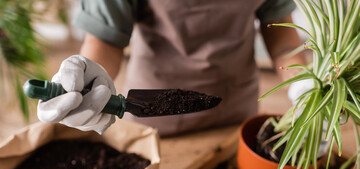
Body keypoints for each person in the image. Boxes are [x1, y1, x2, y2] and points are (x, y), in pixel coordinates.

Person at [38, 0, 306, 136]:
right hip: (154, 118)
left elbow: (279, 31)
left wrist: (303, 83)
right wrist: (87, 76)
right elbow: (105, 38)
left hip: (236, 111)